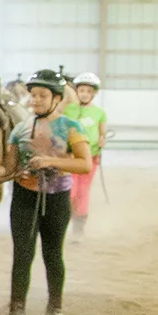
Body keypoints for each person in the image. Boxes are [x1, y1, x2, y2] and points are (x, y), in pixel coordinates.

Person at [0, 69, 95, 315]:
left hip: (57, 199)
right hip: (24, 197)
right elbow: (7, 169)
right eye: (33, 95)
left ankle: (54, 306)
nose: (35, 100)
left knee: (52, 253)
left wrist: (51, 161)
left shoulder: (71, 128)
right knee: (22, 255)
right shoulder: (20, 130)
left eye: (42, 95)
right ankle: (16, 312)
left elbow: (84, 163)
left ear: (56, 98)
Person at [64, 72, 110, 237]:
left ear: (94, 93)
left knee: (83, 192)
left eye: (88, 91)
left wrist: (102, 139)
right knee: (71, 191)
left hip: (91, 158)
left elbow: (102, 132)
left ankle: (79, 229)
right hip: (72, 158)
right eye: (81, 90)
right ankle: (64, 224)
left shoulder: (100, 113)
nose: (84, 94)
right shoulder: (69, 110)